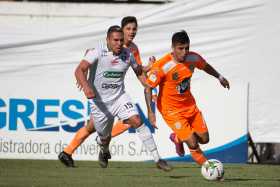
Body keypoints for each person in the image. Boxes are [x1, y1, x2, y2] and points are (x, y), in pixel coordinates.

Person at [59, 25, 171, 171]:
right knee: (104, 138)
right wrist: (86, 86)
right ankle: (104, 151)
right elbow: (79, 69)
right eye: (115, 40)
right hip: (99, 103)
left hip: (119, 97)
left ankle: (158, 159)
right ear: (107, 40)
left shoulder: (128, 53)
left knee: (136, 120)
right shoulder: (97, 52)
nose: (119, 43)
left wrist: (150, 78)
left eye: (120, 40)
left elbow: (138, 71)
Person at [145, 30, 230, 166]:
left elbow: (205, 66)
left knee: (204, 139)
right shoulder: (162, 66)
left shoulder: (193, 58)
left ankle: (178, 138)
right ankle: (209, 168)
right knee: (192, 142)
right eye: (180, 48)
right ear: (173, 48)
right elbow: (148, 87)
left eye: (187, 48)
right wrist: (150, 112)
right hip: (171, 110)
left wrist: (219, 77)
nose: (184, 52)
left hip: (189, 105)